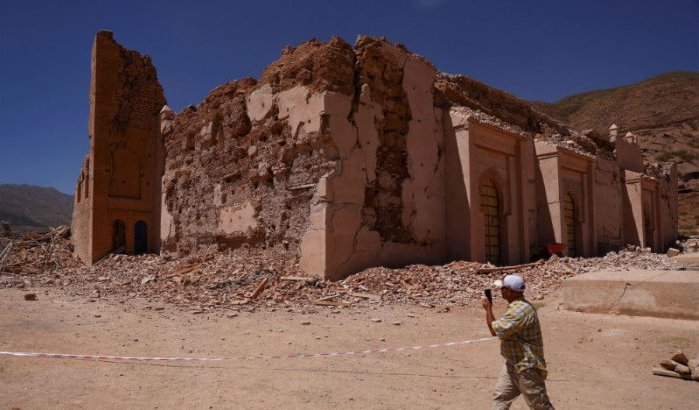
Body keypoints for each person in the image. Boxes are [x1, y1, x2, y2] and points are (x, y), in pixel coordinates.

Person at [481, 274, 555, 410]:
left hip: (526, 368)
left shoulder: (519, 311)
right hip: (512, 364)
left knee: (540, 406)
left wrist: (488, 309)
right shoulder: (517, 306)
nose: (500, 290)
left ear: (509, 291)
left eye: (502, 288)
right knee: (500, 398)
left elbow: (494, 330)